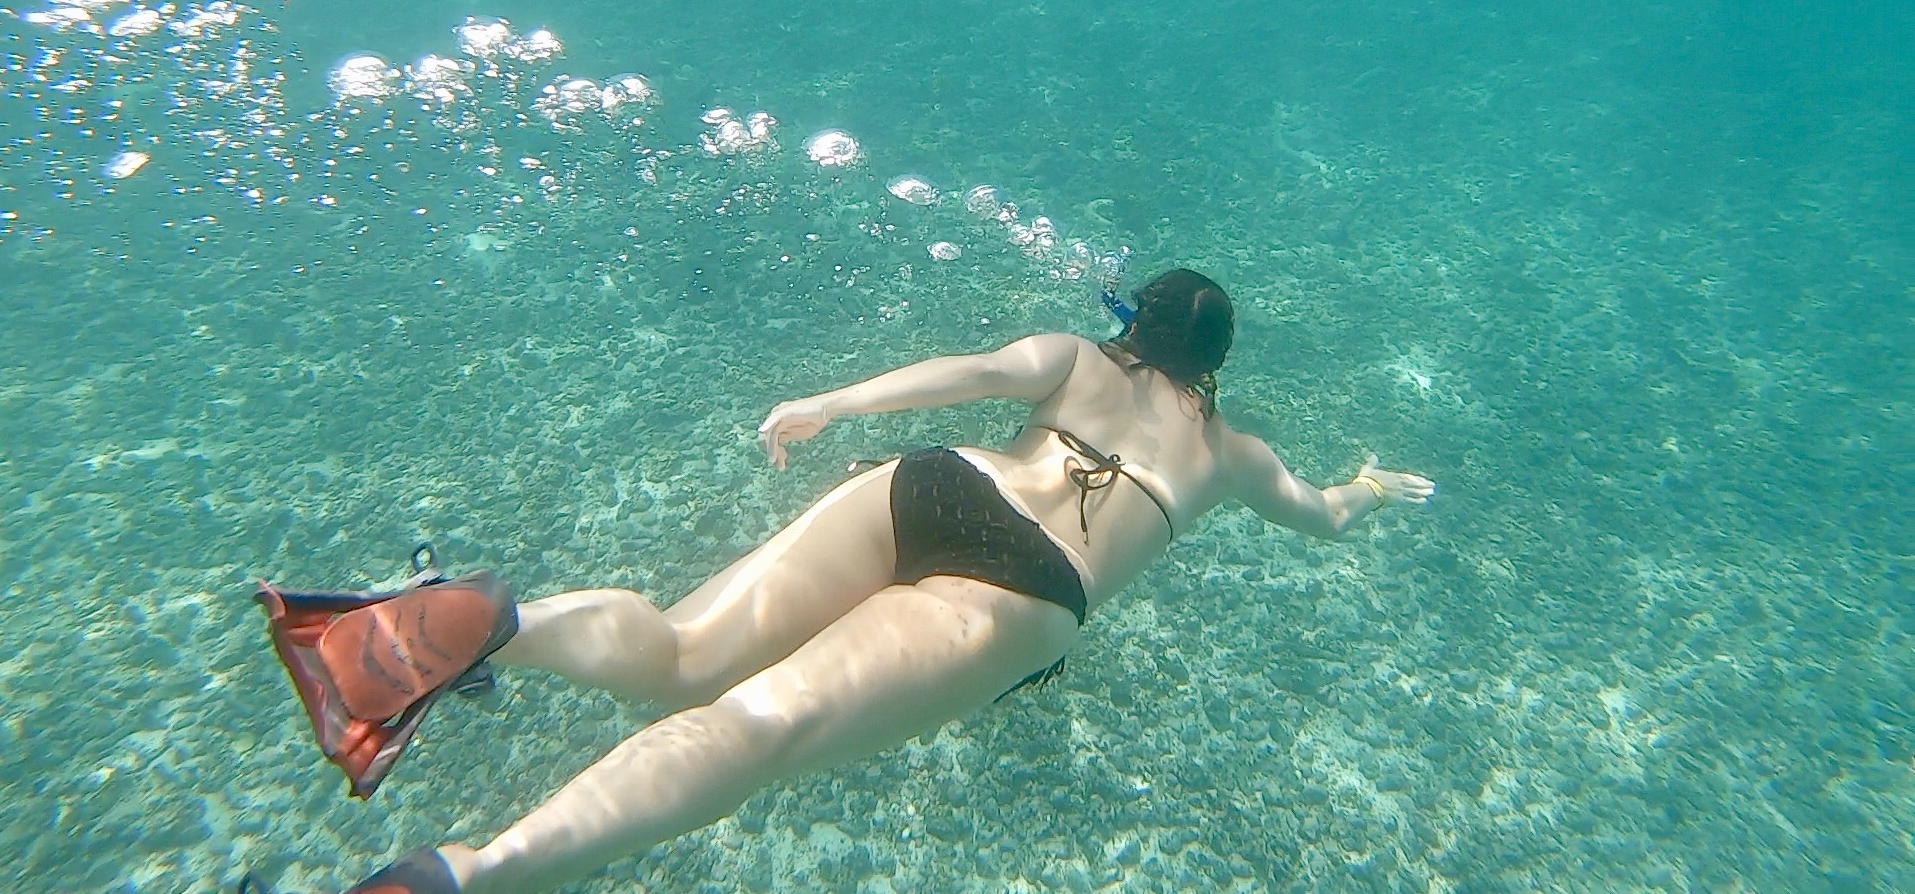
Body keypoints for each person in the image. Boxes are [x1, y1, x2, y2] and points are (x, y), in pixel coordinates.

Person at [256, 269, 1434, 894]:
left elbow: (963, 371)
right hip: (1022, 592)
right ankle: (470, 876)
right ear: (1212, 368)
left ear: (1134, 325)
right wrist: (1370, 487)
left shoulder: (1076, 360)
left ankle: (488, 625)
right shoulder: (1235, 459)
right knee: (758, 726)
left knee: (676, 653)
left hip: (934, 482)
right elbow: (1323, 517)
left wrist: (829, 404)